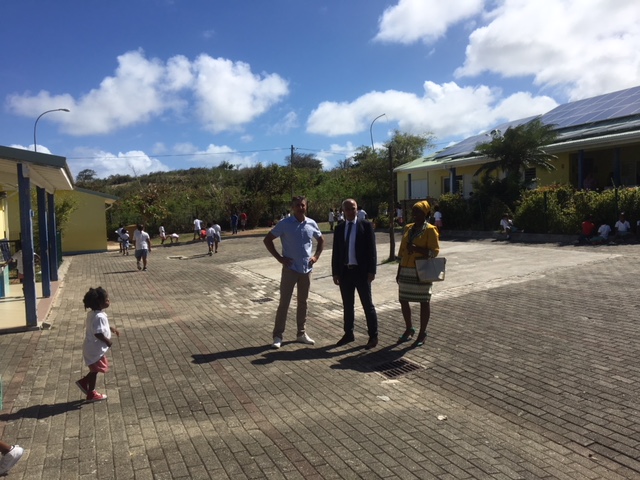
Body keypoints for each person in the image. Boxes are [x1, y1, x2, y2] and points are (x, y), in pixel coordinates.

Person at [263, 196, 324, 349]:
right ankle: (278, 336)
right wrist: (279, 258)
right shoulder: (285, 224)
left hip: (306, 269)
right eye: (297, 205)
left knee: (303, 302)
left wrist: (315, 256)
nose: (300, 208)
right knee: (284, 302)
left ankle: (301, 333)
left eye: (303, 205)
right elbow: (267, 240)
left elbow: (321, 240)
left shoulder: (311, 223)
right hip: (290, 269)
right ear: (293, 207)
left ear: (306, 206)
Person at [332, 199, 378, 349]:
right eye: (348, 209)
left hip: (362, 273)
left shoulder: (365, 226)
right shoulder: (339, 228)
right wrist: (335, 272)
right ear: (343, 211)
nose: (351, 212)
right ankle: (348, 334)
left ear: (357, 209)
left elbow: (372, 251)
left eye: (353, 209)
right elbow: (336, 252)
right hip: (345, 272)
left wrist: (372, 271)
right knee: (347, 305)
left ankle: (373, 336)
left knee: (367, 305)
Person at [396, 201, 440, 347]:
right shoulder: (408, 228)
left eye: (419, 212)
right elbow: (402, 251)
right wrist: (399, 270)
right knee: (403, 299)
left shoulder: (430, 230)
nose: (415, 215)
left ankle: (422, 332)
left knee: (424, 301)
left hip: (422, 270)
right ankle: (409, 328)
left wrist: (416, 249)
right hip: (406, 269)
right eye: (414, 212)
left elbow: (434, 252)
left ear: (426, 213)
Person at [75, 287, 119, 402]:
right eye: (106, 299)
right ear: (99, 302)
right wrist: (107, 341)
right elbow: (98, 333)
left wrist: (111, 328)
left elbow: (99, 327)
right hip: (95, 349)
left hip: (91, 348)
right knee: (95, 370)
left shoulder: (94, 314)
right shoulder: (99, 316)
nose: (108, 300)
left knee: (95, 369)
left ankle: (85, 383)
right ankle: (91, 393)